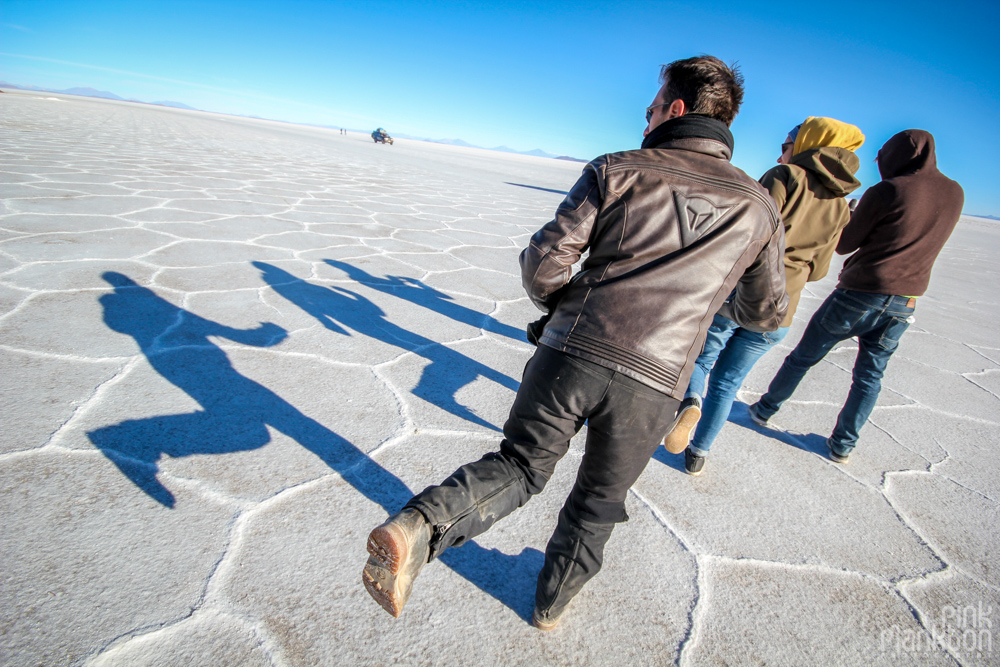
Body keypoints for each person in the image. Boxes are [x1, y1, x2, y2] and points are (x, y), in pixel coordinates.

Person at [360, 56, 788, 630]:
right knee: (597, 503)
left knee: (520, 465)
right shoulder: (760, 205)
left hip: (571, 353)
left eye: (654, 105)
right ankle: (549, 606)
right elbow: (765, 311)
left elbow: (544, 263)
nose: (648, 114)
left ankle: (418, 527)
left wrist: (566, 309)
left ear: (677, 110)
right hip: (657, 381)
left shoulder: (617, 167)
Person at [747, 129, 963, 463]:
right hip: (906, 300)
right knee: (870, 376)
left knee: (805, 356)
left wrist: (847, 215)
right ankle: (844, 444)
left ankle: (765, 408)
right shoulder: (955, 193)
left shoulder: (889, 189)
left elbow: (846, 243)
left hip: (862, 292)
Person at [664, 117, 865, 476]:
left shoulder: (784, 177)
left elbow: (745, 232)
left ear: (809, 142)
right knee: (728, 384)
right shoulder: (839, 204)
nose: (782, 149)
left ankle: (690, 401)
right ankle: (698, 454)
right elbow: (819, 271)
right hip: (780, 313)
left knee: (701, 360)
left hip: (740, 294)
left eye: (789, 142)